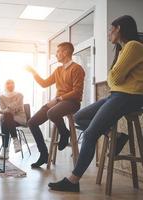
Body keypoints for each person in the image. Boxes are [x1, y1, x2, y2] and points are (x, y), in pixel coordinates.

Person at [48, 15, 143, 192]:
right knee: (79, 117)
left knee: (91, 134)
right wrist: (115, 79)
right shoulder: (123, 50)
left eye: (110, 29)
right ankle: (116, 136)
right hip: (117, 95)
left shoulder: (133, 46)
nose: (108, 34)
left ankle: (73, 180)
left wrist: (115, 79)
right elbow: (112, 81)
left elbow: (113, 77)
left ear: (119, 28)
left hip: (129, 96)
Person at [26, 42, 85, 168]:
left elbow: (77, 92)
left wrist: (59, 98)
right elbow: (44, 83)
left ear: (65, 52)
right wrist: (33, 72)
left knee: (51, 112)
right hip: (59, 102)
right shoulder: (58, 70)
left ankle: (64, 133)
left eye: (58, 52)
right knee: (32, 122)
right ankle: (43, 155)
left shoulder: (77, 68)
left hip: (72, 102)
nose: (56, 54)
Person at [0, 80, 25, 159]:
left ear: (14, 85)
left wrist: (0, 111)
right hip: (8, 119)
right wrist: (8, 110)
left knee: (6, 118)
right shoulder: (2, 97)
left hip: (19, 118)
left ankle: (5, 149)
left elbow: (16, 108)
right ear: (5, 86)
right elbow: (6, 110)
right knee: (7, 116)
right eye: (8, 83)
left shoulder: (20, 95)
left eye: (12, 83)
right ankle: (15, 140)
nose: (10, 85)